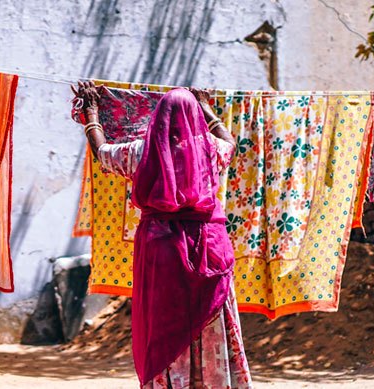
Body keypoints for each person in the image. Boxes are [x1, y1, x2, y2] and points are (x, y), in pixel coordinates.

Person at [73, 81, 252, 389]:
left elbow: (102, 152)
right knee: (211, 314)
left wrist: (92, 114)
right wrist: (207, 108)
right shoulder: (211, 150)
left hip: (162, 251)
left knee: (166, 323)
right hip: (209, 246)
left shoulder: (142, 152)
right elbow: (230, 142)